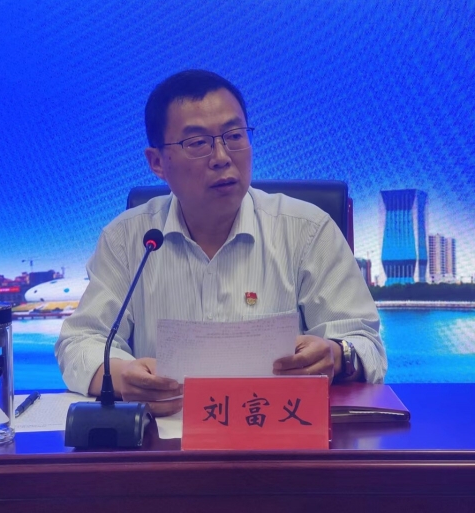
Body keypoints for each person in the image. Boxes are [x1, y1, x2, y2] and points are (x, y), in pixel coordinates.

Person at [56, 70, 386, 416]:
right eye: (198, 143)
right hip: (163, 439)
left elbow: (367, 345)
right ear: (157, 163)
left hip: (279, 436)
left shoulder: (308, 230)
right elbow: (80, 341)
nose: (221, 156)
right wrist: (122, 376)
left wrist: (337, 355)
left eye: (235, 136)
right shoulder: (127, 239)